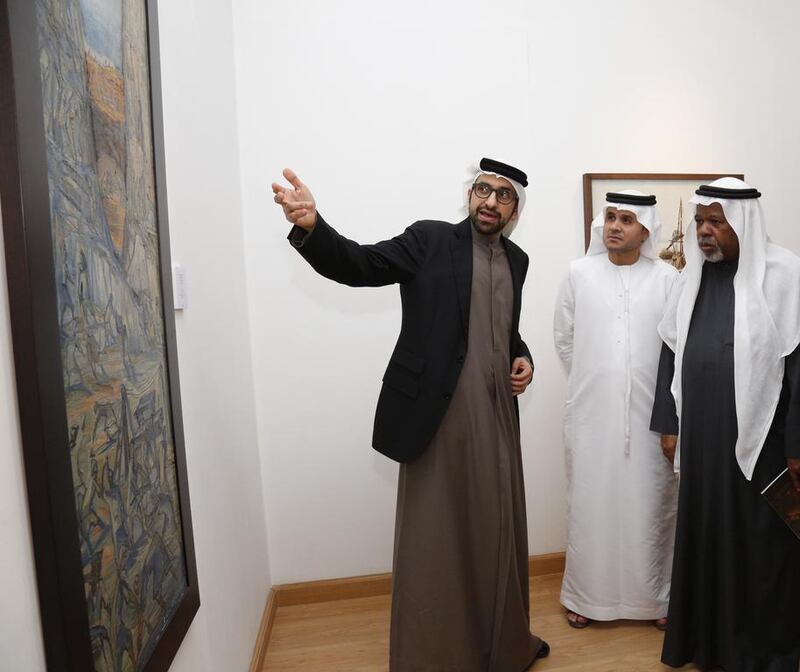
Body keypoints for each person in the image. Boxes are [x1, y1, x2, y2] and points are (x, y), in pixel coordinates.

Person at [272, 158, 549, 671]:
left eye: (503, 196)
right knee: (438, 536)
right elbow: (360, 265)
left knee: (496, 529)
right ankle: (438, 655)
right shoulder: (430, 240)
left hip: (495, 418)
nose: (490, 202)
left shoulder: (518, 259)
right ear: (470, 195)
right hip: (438, 416)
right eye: (483, 190)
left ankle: (500, 642)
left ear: (515, 209)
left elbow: (504, 327)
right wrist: (312, 226)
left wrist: (522, 356)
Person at [650, 177, 800, 671]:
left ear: (742, 222)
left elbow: (796, 366)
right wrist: (669, 423)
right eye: (699, 222)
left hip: (766, 444)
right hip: (704, 441)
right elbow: (670, 354)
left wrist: (797, 442)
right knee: (707, 536)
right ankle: (708, 645)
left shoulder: (783, 275)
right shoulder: (691, 278)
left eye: (716, 221)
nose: (705, 232)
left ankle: (765, 651)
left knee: (763, 547)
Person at [554, 191, 678, 630]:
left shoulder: (666, 278)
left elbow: (675, 349)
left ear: (645, 230)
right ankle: (587, 598)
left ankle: (655, 600)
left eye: (627, 219)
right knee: (590, 504)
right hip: (592, 416)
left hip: (651, 420)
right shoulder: (579, 273)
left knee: (652, 505)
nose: (615, 226)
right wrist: (600, 382)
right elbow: (564, 339)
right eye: (610, 217)